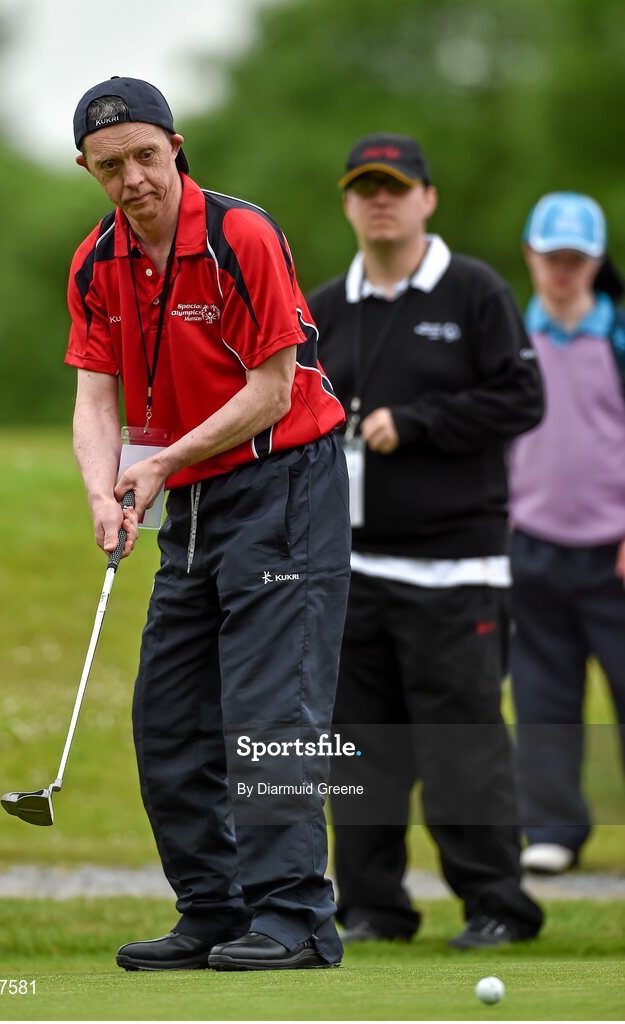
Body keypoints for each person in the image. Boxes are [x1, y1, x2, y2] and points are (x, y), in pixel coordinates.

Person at [65, 76, 350, 971]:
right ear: (88, 169)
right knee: (168, 719)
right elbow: (94, 398)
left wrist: (158, 463)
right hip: (188, 496)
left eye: (146, 156)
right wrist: (101, 489)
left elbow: (271, 392)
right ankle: (216, 910)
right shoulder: (93, 262)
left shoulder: (240, 236)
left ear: (175, 147)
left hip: (285, 484)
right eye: (110, 166)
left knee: (270, 714)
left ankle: (296, 920)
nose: (132, 179)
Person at [308, 133, 545, 948]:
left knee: (461, 750)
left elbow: (521, 398)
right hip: (350, 570)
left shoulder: (472, 290)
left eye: (396, 186)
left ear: (426, 199)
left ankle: (496, 907)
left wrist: (417, 425)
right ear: (346, 201)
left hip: (456, 568)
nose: (381, 199)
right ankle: (372, 907)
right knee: (361, 750)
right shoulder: (324, 308)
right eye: (364, 187)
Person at [509, 192, 625, 875]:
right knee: (540, 694)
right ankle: (551, 827)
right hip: (529, 543)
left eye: (574, 260)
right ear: (529, 255)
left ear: (595, 262)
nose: (561, 271)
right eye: (550, 258)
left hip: (614, 550)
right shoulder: (509, 340)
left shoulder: (615, 337)